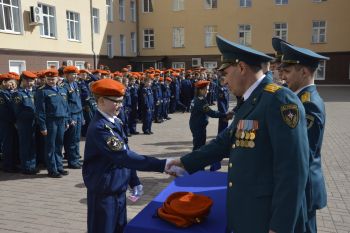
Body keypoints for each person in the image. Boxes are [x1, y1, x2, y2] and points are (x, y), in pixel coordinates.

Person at [166, 35, 310, 233]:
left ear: (241, 68)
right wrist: (185, 162)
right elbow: (225, 142)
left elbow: (293, 172)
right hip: (246, 213)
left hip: (265, 219)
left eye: (225, 74)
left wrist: (280, 227)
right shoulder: (251, 100)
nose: (223, 82)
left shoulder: (279, 101)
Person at [82, 78, 172, 233]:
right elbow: (123, 156)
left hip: (117, 187)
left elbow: (126, 151)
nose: (120, 105)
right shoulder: (100, 128)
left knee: (120, 228)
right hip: (105, 191)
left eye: (121, 101)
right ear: (102, 101)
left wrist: (134, 180)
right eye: (116, 101)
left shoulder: (114, 122)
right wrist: (162, 165)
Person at [280, 42, 329, 233]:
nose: (283, 77)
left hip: (304, 187)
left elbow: (303, 152)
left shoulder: (309, 104)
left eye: (288, 71)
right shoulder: (299, 99)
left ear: (304, 72)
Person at [35, 69, 70, 178]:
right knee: (50, 146)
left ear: (57, 79)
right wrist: (43, 126)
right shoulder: (42, 91)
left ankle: (59, 167)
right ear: (45, 79)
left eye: (53, 79)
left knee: (59, 145)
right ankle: (52, 169)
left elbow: (66, 106)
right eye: (49, 79)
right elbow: (40, 110)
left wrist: (67, 120)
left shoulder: (62, 90)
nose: (51, 81)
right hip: (50, 121)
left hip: (61, 120)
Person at [189, 80, 230, 152]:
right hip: (198, 126)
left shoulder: (196, 98)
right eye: (206, 89)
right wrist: (225, 115)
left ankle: (197, 159)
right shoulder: (200, 101)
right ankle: (195, 161)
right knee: (198, 146)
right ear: (201, 90)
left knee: (199, 144)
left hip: (196, 124)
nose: (207, 91)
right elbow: (211, 113)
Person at [12, 71, 38, 174]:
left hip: (32, 122)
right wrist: (33, 114)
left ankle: (32, 165)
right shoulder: (18, 94)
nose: (30, 83)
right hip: (24, 123)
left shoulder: (31, 92)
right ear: (22, 81)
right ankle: (26, 167)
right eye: (28, 81)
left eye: (32, 81)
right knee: (25, 145)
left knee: (32, 144)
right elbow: (18, 112)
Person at [62, 66, 83, 169]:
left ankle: (75, 158)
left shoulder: (75, 84)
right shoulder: (64, 86)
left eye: (76, 74)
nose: (75, 76)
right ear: (67, 75)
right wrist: (69, 119)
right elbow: (65, 104)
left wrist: (82, 116)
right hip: (72, 115)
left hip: (78, 113)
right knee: (71, 139)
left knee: (77, 138)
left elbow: (79, 101)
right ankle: (72, 161)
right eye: (73, 74)